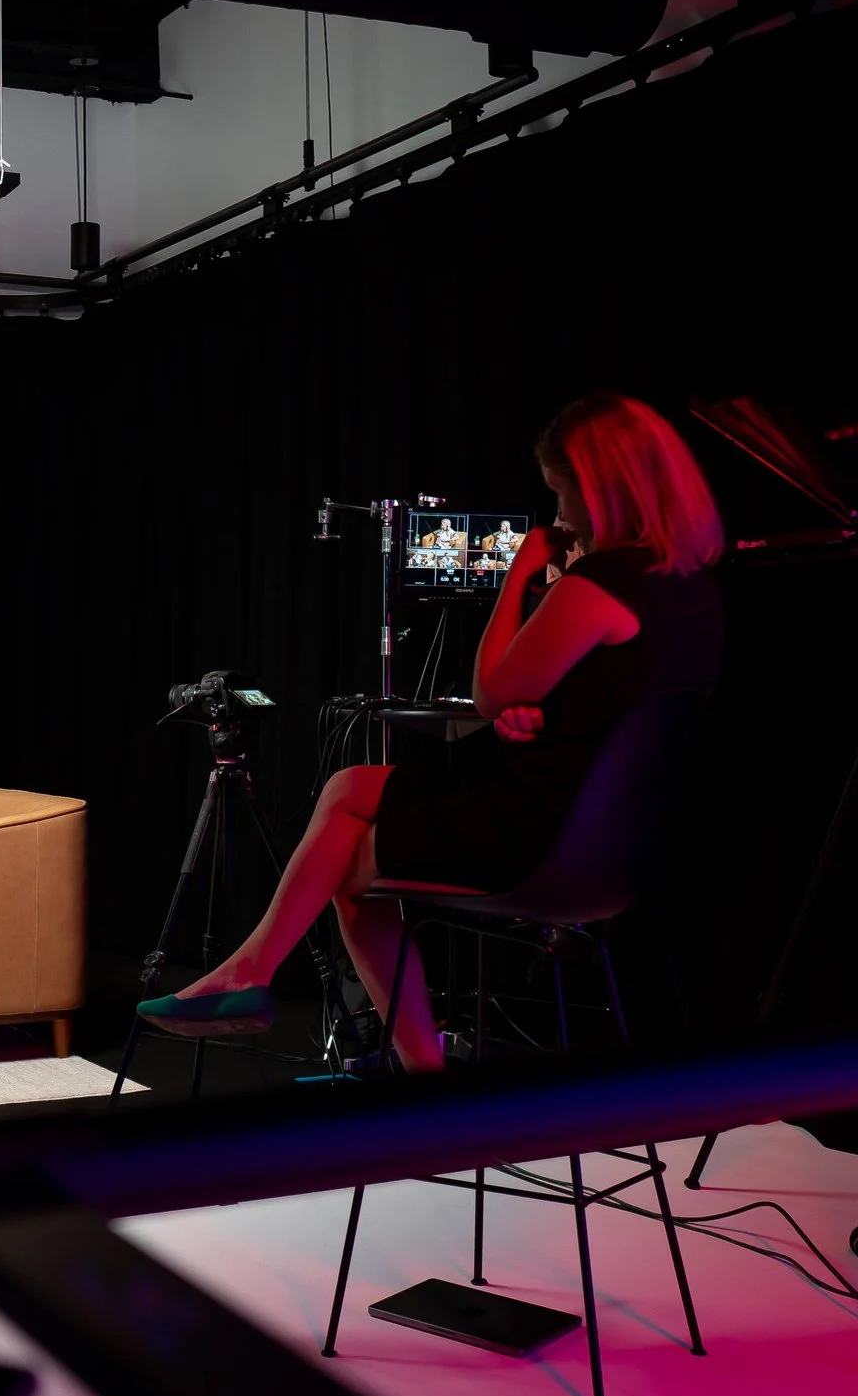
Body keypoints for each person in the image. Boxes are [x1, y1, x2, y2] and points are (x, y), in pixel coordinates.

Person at [138, 394, 724, 1068]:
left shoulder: (601, 582)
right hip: (611, 844)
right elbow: (598, 705)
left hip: (541, 837)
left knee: (349, 865)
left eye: (563, 497)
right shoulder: (687, 587)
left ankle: (408, 1064)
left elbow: (489, 690)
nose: (560, 518)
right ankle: (256, 975)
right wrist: (532, 709)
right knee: (350, 786)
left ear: (602, 491)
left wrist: (524, 574)